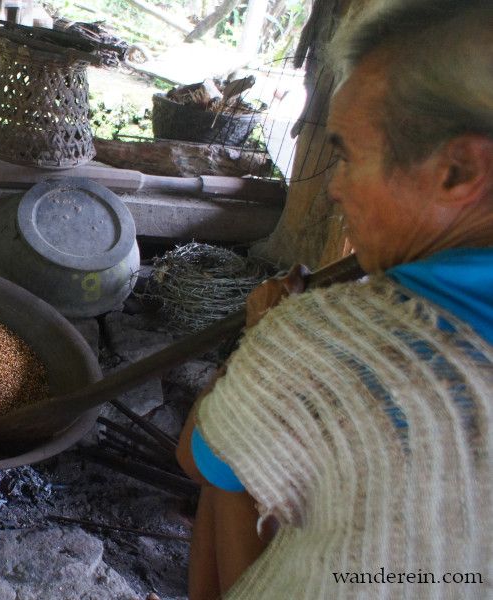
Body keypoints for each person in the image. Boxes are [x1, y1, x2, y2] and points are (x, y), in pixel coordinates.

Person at [176, 0, 493, 597]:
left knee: (229, 467)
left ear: (457, 170)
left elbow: (195, 458)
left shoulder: (333, 339)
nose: (336, 188)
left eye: (346, 154)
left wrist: (255, 345)